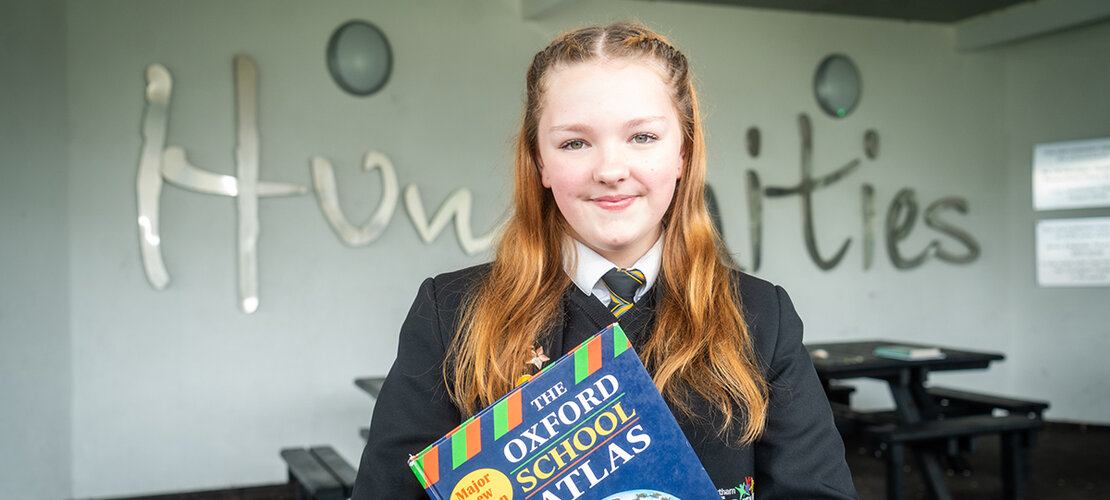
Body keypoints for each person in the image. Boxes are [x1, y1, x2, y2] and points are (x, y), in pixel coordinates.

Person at [350, 22, 857, 500]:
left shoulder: (761, 315)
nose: (611, 169)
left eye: (642, 136)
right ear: (540, 162)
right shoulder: (452, 312)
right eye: (575, 142)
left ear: (683, 153)